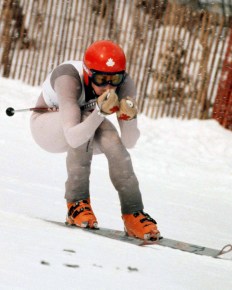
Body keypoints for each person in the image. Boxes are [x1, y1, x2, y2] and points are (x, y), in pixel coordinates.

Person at [30, 40, 160, 240]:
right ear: (87, 73)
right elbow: (73, 137)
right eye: (100, 79)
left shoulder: (124, 84)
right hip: (47, 128)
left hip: (84, 127)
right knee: (84, 120)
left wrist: (130, 118)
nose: (108, 86)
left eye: (114, 79)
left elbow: (129, 142)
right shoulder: (68, 77)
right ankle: (76, 203)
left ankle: (133, 213)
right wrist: (99, 112)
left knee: (113, 141)